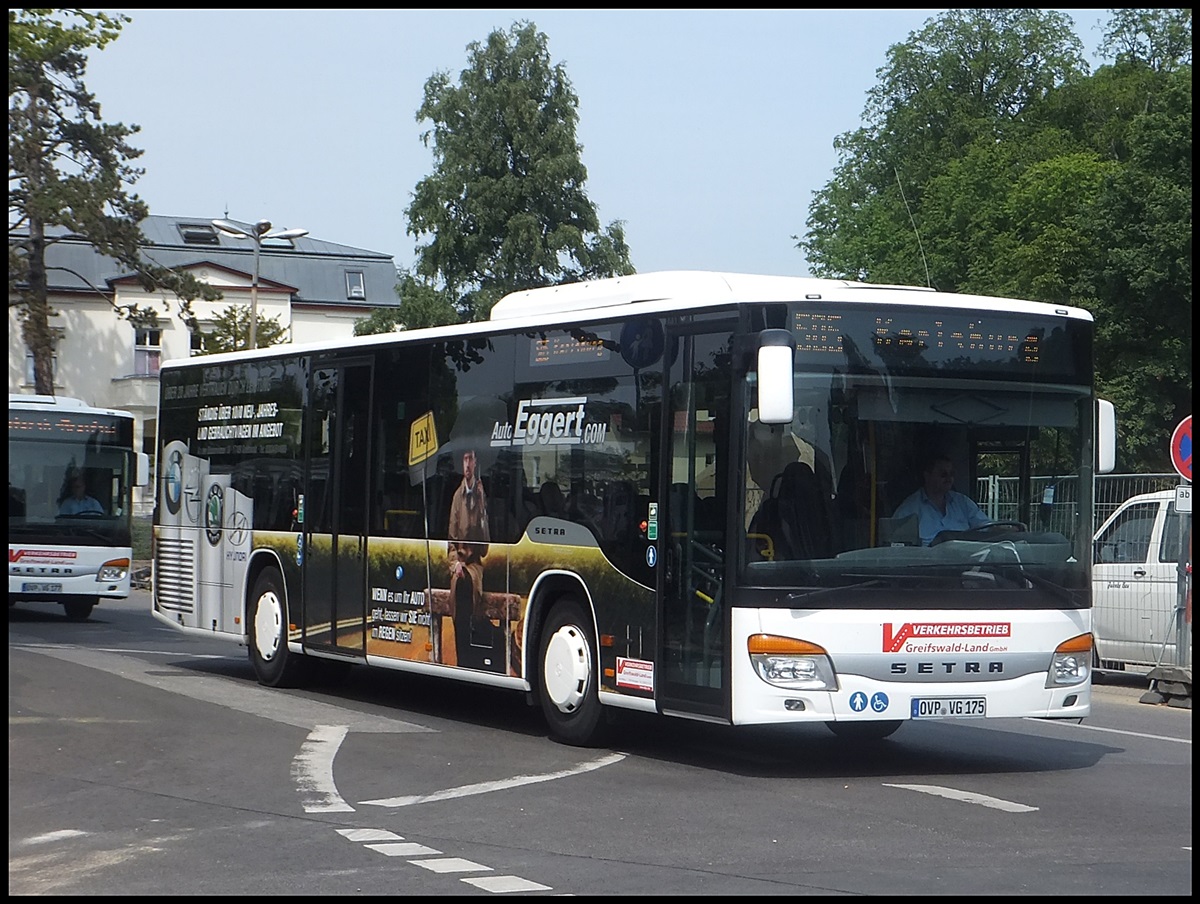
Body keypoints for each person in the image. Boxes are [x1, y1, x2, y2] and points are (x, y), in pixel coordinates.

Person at [447, 448, 491, 668]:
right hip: (459, 566)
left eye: (470, 459)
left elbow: (484, 548)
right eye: (464, 459)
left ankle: (471, 653)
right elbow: (451, 540)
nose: (467, 464)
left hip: (474, 567)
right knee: (458, 585)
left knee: (469, 584)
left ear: (476, 463)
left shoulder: (481, 495)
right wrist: (455, 562)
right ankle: (461, 653)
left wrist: (482, 508)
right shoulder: (457, 497)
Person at [892, 452, 989, 545]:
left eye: (952, 474)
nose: (949, 478)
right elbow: (897, 547)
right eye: (943, 474)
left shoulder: (963, 503)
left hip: (964, 559)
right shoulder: (908, 509)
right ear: (927, 476)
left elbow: (987, 528)